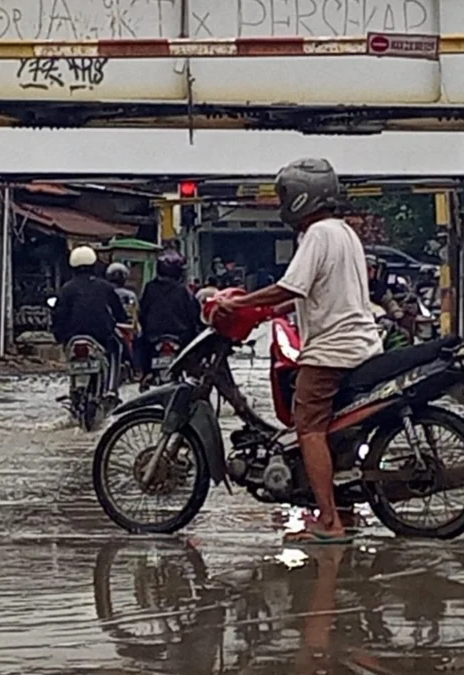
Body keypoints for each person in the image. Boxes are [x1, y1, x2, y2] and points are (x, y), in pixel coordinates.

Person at [212, 157, 382, 544]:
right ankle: (342, 510)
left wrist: (239, 305)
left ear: (305, 197)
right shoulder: (342, 232)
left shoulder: (317, 234)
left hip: (331, 352)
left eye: (286, 195)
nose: (282, 203)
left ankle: (329, 522)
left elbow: (290, 287)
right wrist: (265, 312)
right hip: (359, 344)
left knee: (308, 428)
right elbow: (308, 295)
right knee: (334, 430)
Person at [51, 245, 130, 378]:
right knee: (117, 350)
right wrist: (122, 320)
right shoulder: (105, 287)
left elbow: (58, 315)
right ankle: (111, 389)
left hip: (72, 335)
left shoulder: (66, 289)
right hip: (101, 335)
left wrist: (59, 336)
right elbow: (118, 312)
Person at [137, 249, 202, 375]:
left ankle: (144, 375)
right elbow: (193, 315)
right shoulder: (183, 290)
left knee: (141, 347)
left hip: (153, 337)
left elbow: (142, 313)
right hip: (181, 337)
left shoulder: (150, 288)